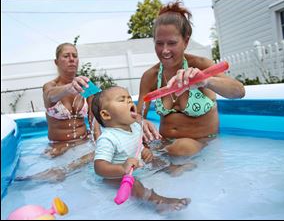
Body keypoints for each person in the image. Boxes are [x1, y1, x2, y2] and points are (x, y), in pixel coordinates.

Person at [136, 0, 245, 157]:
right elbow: (139, 114)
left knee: (180, 148)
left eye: (172, 43)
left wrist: (206, 81)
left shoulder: (201, 66)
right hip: (164, 145)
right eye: (159, 43)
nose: (164, 50)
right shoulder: (151, 76)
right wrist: (141, 122)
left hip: (201, 144)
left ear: (186, 41)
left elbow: (239, 92)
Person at [92, 86, 191, 213]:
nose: (129, 102)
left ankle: (171, 168)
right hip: (114, 176)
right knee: (135, 185)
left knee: (156, 159)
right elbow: (99, 167)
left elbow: (138, 145)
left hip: (135, 167)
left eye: (129, 98)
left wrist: (144, 151)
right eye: (122, 100)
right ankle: (158, 202)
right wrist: (121, 168)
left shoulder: (135, 127)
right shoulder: (108, 138)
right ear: (106, 114)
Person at [15, 43, 100, 182]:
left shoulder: (87, 86)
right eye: (66, 56)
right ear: (56, 62)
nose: (71, 59)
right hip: (58, 147)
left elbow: (94, 122)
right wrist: (69, 88)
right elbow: (50, 96)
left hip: (84, 143)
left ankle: (65, 170)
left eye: (75, 56)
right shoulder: (50, 86)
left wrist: (100, 145)